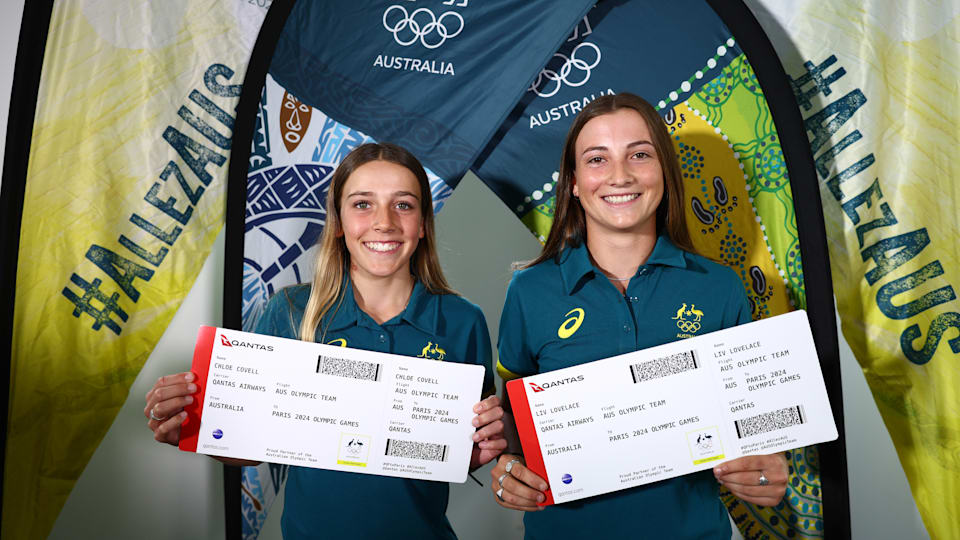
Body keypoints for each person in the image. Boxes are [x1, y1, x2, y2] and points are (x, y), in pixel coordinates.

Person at [145, 142, 505, 539]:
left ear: (422, 224)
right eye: (362, 204)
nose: (384, 222)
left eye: (403, 205)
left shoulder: (463, 321)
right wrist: (196, 425)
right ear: (338, 223)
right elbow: (249, 445)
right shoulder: (291, 311)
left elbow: (460, 445)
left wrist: (471, 452)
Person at [489, 93, 788, 538]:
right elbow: (513, 416)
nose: (620, 175)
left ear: (664, 171)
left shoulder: (720, 287)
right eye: (597, 159)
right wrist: (507, 466)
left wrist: (767, 471)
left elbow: (757, 431)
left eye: (640, 155)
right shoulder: (529, 291)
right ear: (573, 182)